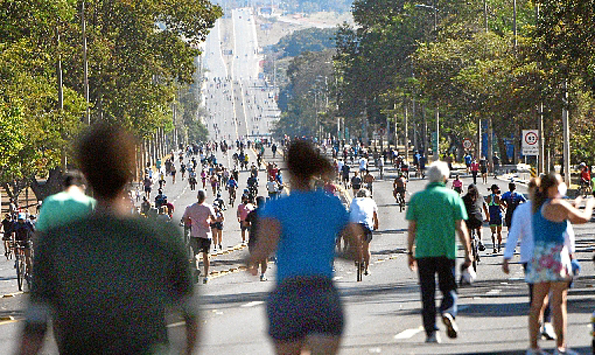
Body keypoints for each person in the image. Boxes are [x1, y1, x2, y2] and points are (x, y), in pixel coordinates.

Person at [19, 124, 198, 354]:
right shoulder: (163, 236)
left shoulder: (56, 244)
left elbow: (33, 333)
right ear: (131, 168)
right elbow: (191, 318)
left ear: (85, 170)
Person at [247, 140, 361, 355]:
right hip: (323, 294)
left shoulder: (275, 207)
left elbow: (261, 252)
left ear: (288, 168)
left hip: (288, 296)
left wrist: (249, 261)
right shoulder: (332, 204)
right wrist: (327, 251)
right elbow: (358, 252)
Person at [524, 172, 594, 355]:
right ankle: (560, 347)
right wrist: (590, 205)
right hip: (556, 257)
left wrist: (573, 205)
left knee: (537, 303)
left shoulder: (537, 205)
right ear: (552, 187)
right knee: (559, 302)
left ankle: (533, 347)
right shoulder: (559, 205)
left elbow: (559, 213)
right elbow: (583, 218)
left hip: (539, 257)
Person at [406, 161, 473, 343]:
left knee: (427, 293)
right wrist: (468, 253)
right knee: (449, 288)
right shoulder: (452, 197)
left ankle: (431, 333)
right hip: (446, 251)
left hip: (424, 253)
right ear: (445, 177)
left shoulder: (418, 198)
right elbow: (461, 226)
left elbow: (412, 228)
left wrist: (410, 252)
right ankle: (448, 311)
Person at [502, 178, 570, 343]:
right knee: (547, 294)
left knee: (538, 295)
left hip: (531, 256)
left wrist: (507, 256)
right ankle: (545, 324)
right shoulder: (547, 206)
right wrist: (507, 255)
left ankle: (541, 327)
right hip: (541, 256)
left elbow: (566, 230)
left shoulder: (529, 208)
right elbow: (515, 233)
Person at [182, 189, 217, 284]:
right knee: (206, 255)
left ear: (197, 197)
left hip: (195, 234)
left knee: (196, 253)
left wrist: (190, 222)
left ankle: (196, 268)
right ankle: (206, 276)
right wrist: (209, 220)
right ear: (205, 198)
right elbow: (214, 219)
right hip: (206, 234)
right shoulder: (208, 208)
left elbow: (185, 219)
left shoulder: (190, 207)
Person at [349, 188, 379, 276]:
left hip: (354, 225)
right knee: (366, 248)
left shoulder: (354, 201)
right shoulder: (371, 201)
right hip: (366, 225)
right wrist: (376, 225)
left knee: (353, 243)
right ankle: (367, 268)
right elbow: (375, 216)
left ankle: (355, 256)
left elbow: (350, 213)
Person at [246, 196, 267, 281]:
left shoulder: (252, 213)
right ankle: (263, 274)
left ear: (256, 203)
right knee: (264, 257)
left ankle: (256, 264)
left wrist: (250, 227)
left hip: (254, 236)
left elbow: (246, 222)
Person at [461, 184, 488, 252]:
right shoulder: (480, 197)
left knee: (468, 230)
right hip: (477, 216)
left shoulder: (464, 198)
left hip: (468, 217)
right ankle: (481, 241)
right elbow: (485, 208)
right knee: (479, 227)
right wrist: (488, 217)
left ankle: (470, 243)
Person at [487, 184, 504, 253]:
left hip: (492, 216)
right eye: (497, 189)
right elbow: (502, 204)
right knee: (499, 232)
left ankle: (494, 246)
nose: (499, 190)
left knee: (493, 232)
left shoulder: (488, 197)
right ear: (495, 190)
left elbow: (488, 204)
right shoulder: (498, 197)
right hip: (498, 215)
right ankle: (499, 246)